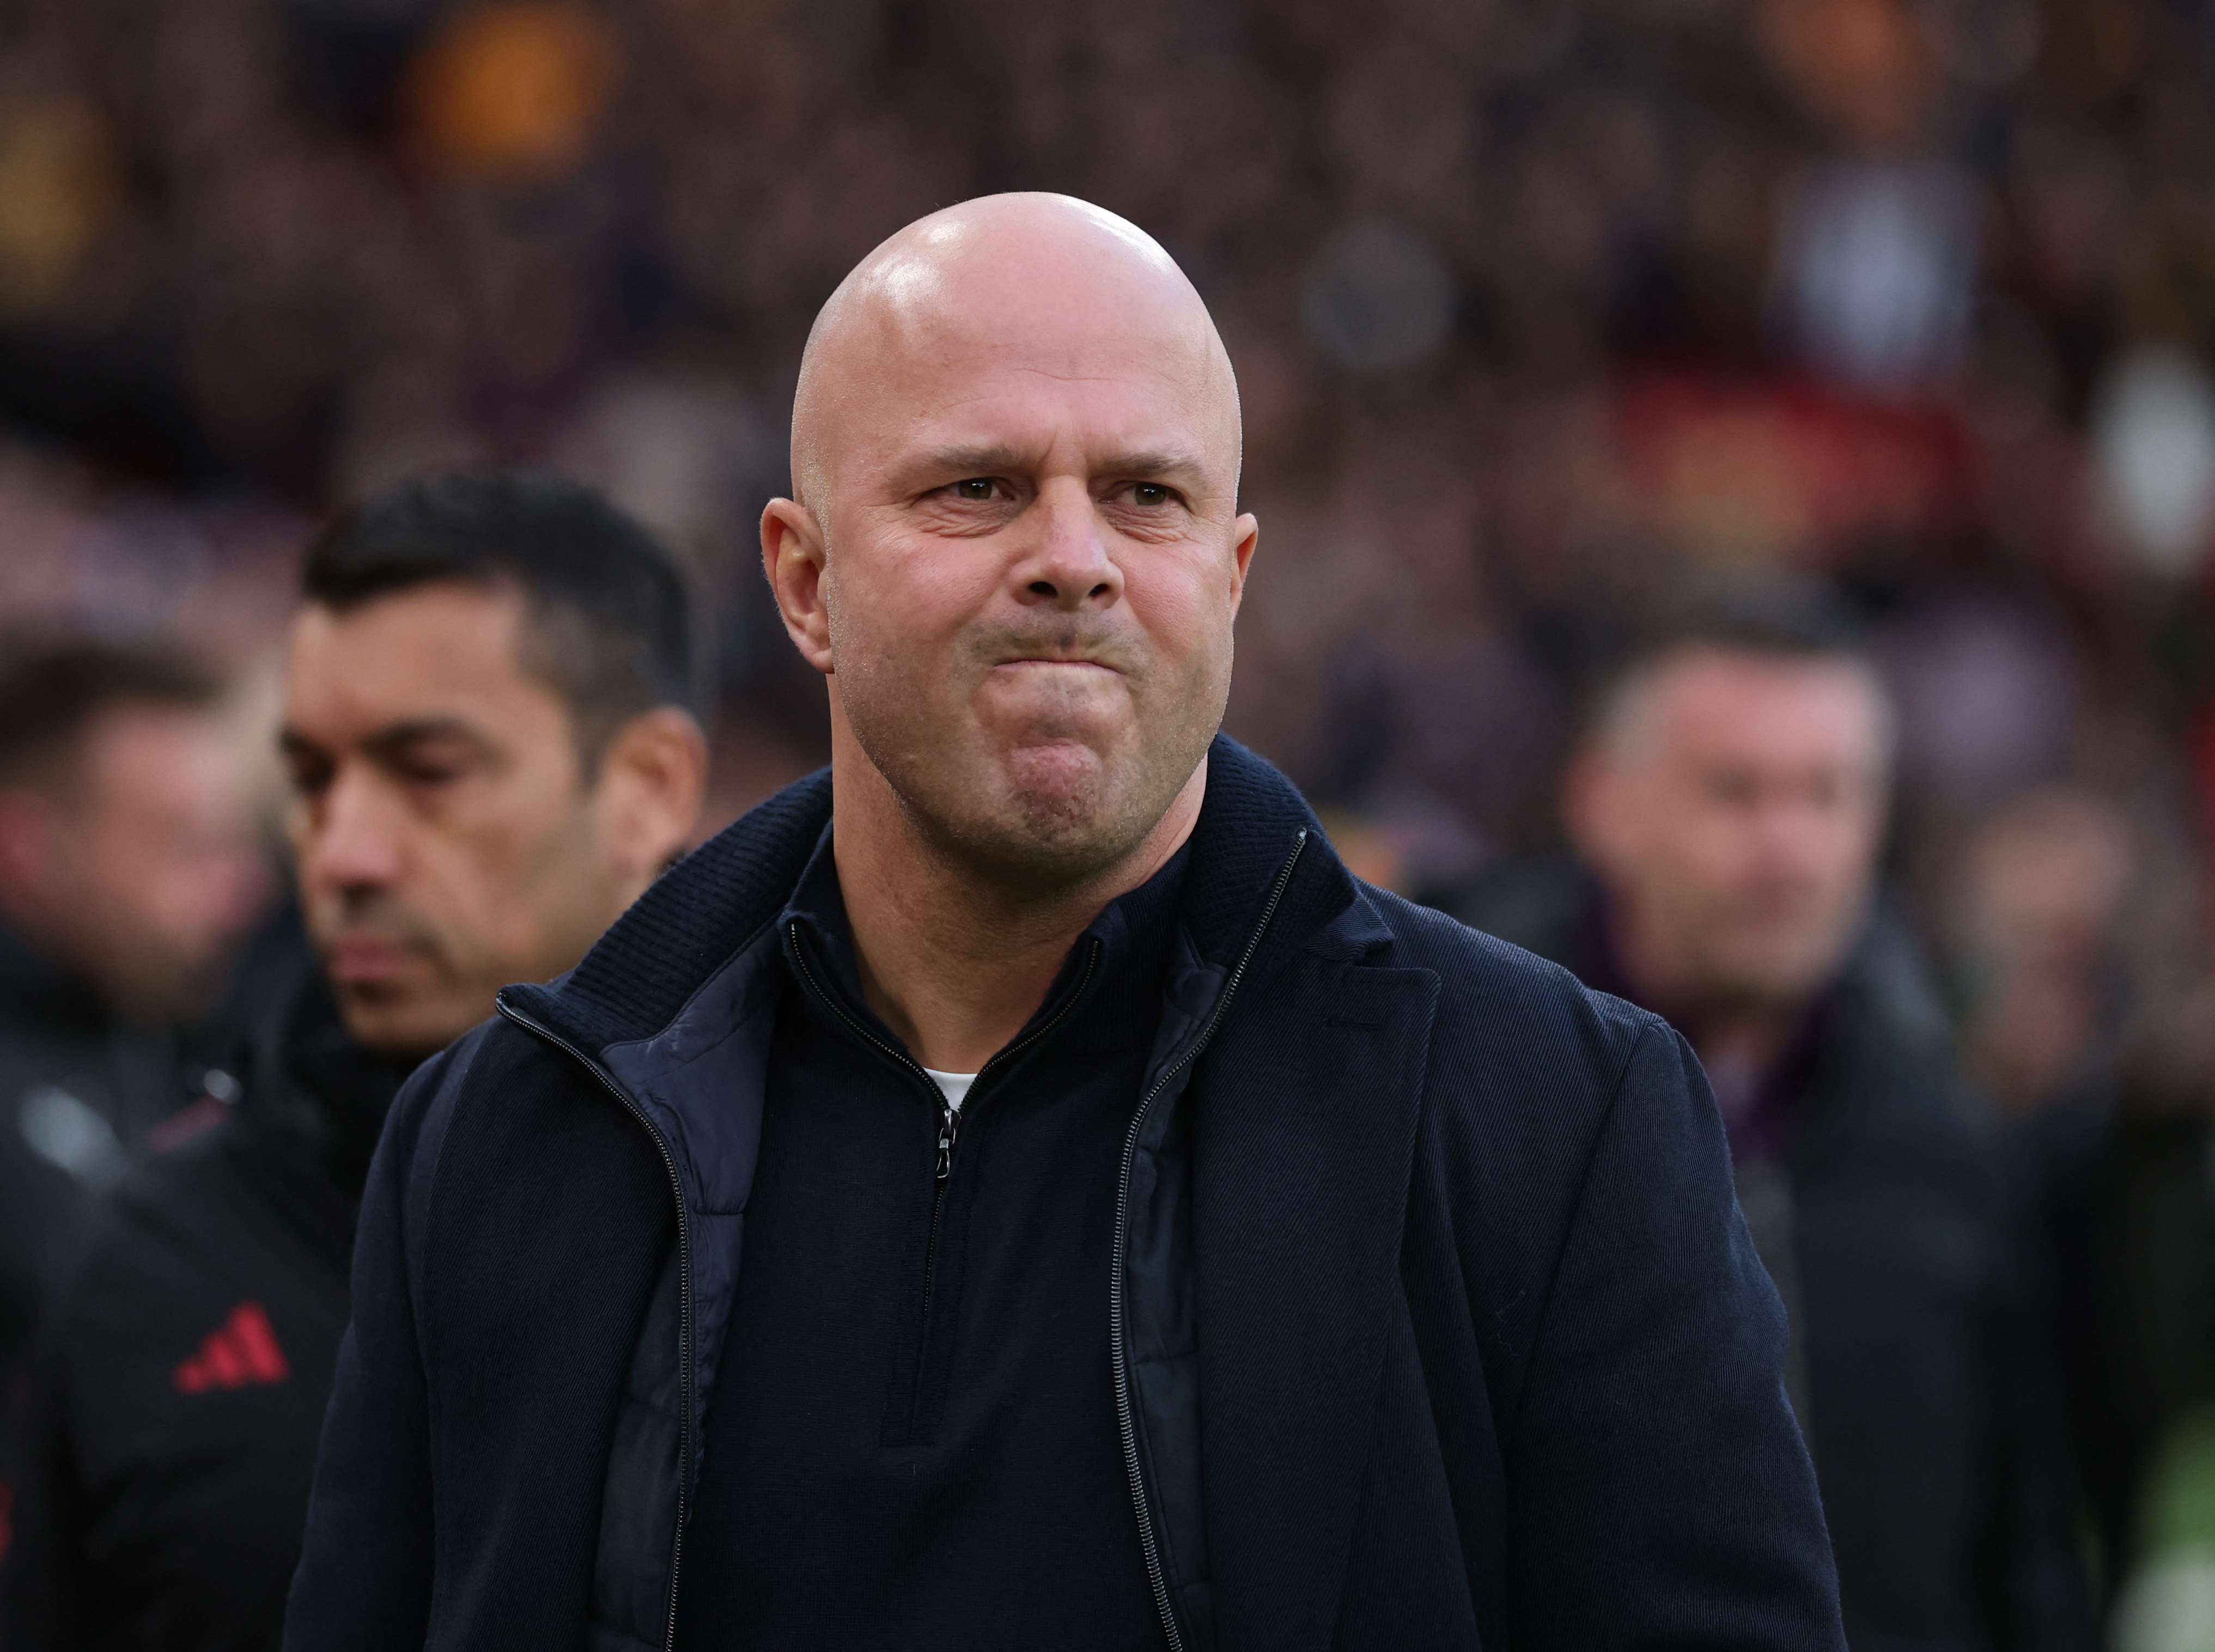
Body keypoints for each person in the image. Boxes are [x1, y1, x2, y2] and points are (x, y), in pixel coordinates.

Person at [285, 195, 1843, 1652]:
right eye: (975, 487)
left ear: (1230, 577)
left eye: (1145, 497)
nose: (1073, 561)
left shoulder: (1556, 1122)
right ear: (804, 582)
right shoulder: (503, 1137)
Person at [0, 470, 710, 1651]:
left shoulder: (833, 1211)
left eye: (429, 772)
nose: (342, 852)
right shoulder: (148, 1259)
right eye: (313, 779)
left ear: (647, 788)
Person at [1446, 592, 2092, 1652]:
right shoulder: (1457, 1104)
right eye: (1733, 792)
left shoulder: (1944, 1152)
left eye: (1826, 793)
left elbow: (2025, 1559)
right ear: (1602, 802)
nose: (1787, 847)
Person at [0, 641, 269, 1407]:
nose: (245, 889)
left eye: (237, 841)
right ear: (35, 850)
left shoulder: (147, 1030)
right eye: (187, 847)